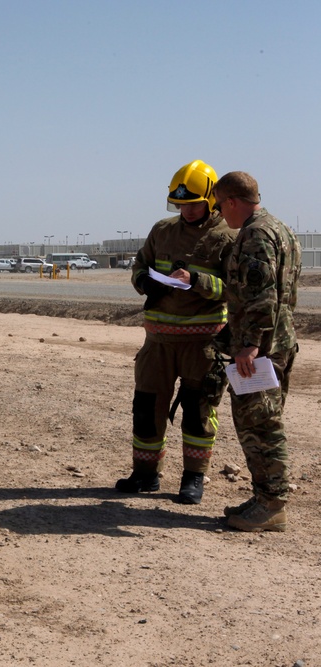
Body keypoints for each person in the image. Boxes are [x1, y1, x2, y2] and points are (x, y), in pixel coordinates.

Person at [116, 160, 237, 504]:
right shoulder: (162, 230)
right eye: (180, 204)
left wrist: (196, 282)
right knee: (146, 407)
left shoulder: (227, 237)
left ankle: (193, 479)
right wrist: (144, 281)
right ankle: (145, 475)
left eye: (193, 204)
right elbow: (141, 263)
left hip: (203, 344)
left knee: (199, 412)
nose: (186, 210)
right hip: (157, 343)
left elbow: (234, 288)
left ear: (211, 199)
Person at [213, 171, 301, 532]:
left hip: (261, 350)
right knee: (259, 423)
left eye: (220, 206)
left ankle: (272, 504)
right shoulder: (280, 228)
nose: (220, 214)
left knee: (262, 426)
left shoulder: (255, 234)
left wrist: (249, 345)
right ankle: (264, 495)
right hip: (276, 342)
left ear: (232, 201)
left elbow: (262, 294)